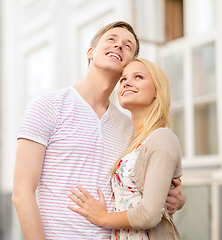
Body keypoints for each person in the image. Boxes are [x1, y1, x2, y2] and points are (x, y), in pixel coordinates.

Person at [12, 21, 185, 239]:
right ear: (91, 52)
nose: (119, 45)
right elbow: (22, 193)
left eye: (127, 45)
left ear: (130, 63)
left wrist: (177, 197)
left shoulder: (129, 126)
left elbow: (144, 183)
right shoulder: (47, 107)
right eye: (111, 39)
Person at [68, 58, 182, 240]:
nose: (127, 82)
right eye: (123, 79)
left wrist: (102, 217)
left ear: (156, 91)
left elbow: (150, 215)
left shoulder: (161, 137)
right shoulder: (131, 139)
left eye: (138, 77)